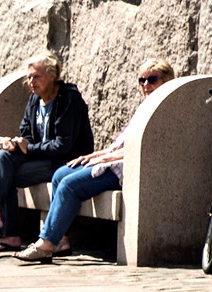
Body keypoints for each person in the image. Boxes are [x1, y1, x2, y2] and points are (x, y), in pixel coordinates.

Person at [14, 59, 176, 263]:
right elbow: (119, 146)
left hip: (125, 169)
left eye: (152, 80)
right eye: (141, 80)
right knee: (60, 174)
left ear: (167, 81)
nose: (145, 85)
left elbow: (149, 149)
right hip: (112, 161)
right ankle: (61, 240)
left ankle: (46, 243)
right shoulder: (145, 107)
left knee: (69, 185)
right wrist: (96, 155)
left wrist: (110, 157)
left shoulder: (165, 110)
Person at [0, 51, 95, 254]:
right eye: (29, 77)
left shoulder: (67, 99)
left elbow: (63, 146)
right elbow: (26, 133)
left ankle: (5, 230)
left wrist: (28, 148)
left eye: (36, 77)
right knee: (3, 157)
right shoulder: (34, 101)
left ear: (52, 75)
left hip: (65, 162)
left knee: (6, 173)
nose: (31, 82)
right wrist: (15, 143)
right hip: (42, 159)